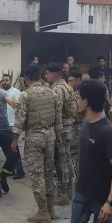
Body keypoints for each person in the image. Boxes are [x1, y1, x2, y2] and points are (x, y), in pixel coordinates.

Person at [70, 79, 112, 223]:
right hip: (81, 193)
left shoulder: (107, 131)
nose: (77, 101)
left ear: (85, 102)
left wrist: (111, 202)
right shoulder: (86, 123)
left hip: (101, 199)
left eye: (79, 98)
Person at [12, 65, 62, 223]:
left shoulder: (26, 95)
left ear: (26, 78)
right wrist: (58, 137)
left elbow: (20, 120)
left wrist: (14, 140)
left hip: (34, 138)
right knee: (48, 173)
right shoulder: (52, 92)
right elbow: (58, 117)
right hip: (50, 137)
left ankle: (42, 212)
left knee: (36, 175)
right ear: (40, 76)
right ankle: (51, 208)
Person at [46, 63, 77, 205]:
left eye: (47, 74)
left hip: (61, 130)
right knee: (68, 160)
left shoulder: (57, 89)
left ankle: (62, 194)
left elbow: (57, 112)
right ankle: (70, 191)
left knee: (61, 162)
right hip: (69, 127)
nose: (46, 77)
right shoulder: (68, 87)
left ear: (53, 74)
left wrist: (57, 135)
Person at [1, 74, 25, 179]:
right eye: (3, 80)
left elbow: (22, 106)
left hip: (13, 124)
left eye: (7, 80)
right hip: (4, 124)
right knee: (8, 149)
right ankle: (11, 168)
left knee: (14, 149)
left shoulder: (16, 92)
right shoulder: (1, 93)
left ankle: (20, 170)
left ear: (10, 81)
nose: (5, 82)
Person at [68, 71, 84, 179]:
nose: (69, 83)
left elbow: (76, 113)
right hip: (75, 127)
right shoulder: (73, 93)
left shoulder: (81, 94)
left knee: (78, 156)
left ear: (78, 80)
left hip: (79, 127)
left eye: (70, 81)